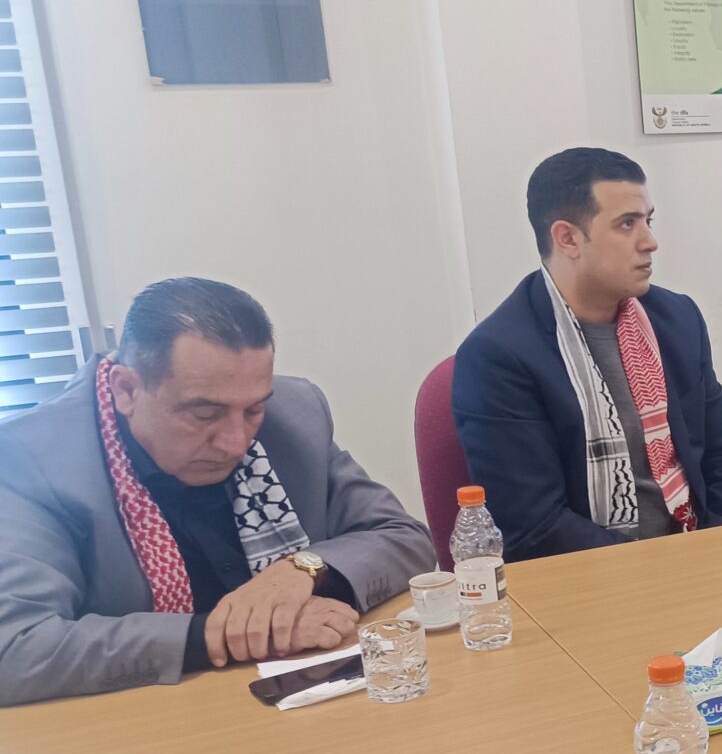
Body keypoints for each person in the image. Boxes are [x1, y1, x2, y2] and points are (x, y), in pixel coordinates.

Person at [0, 278, 434, 706]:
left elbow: (404, 537)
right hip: (147, 718)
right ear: (127, 390)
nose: (236, 442)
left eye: (253, 410)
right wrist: (219, 634)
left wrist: (302, 569)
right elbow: (14, 648)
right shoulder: (30, 459)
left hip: (307, 692)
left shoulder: (294, 412)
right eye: (205, 414)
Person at [454, 148, 722, 562]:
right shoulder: (498, 356)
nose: (650, 242)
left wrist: (720, 549)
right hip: (589, 577)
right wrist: (656, 571)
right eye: (627, 224)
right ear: (568, 238)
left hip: (696, 556)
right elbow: (534, 524)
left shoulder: (677, 319)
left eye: (648, 221)